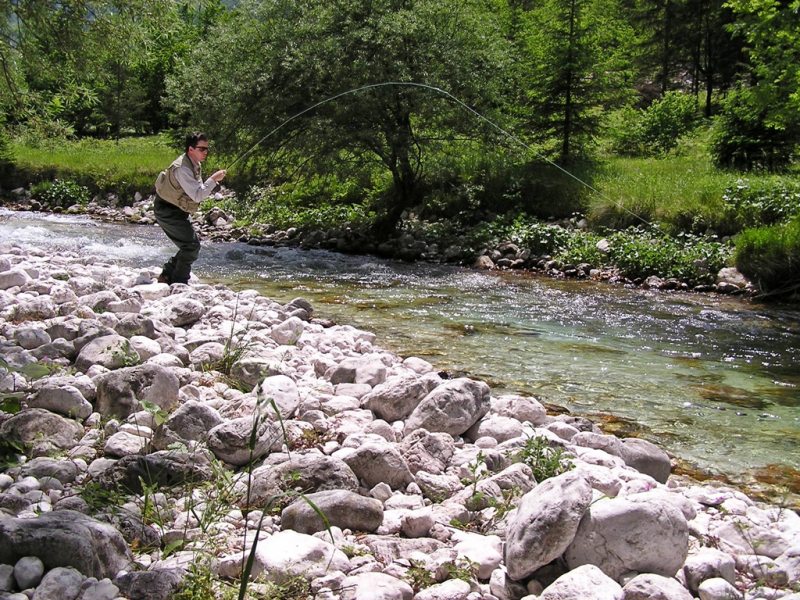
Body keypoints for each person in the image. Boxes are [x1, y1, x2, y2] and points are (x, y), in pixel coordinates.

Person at [153, 132, 226, 284]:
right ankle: (179, 282)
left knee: (189, 246)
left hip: (178, 210)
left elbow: (197, 189)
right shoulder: (182, 168)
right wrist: (212, 180)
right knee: (191, 246)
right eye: (202, 149)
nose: (205, 152)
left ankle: (167, 275)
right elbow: (197, 195)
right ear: (190, 149)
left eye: (207, 149)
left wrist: (211, 185)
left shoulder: (194, 163)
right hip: (167, 210)